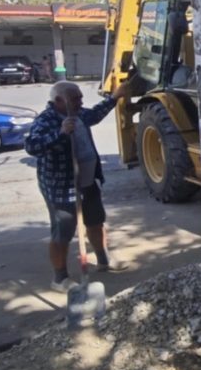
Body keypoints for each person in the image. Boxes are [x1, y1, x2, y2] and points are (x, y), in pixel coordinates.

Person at [25, 80, 132, 291]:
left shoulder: (79, 113)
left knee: (95, 221)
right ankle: (60, 279)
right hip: (62, 187)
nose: (81, 102)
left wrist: (114, 97)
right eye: (76, 99)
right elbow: (32, 146)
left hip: (88, 180)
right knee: (63, 232)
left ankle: (103, 261)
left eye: (81, 97)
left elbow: (94, 115)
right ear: (58, 101)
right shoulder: (45, 120)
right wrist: (61, 133)